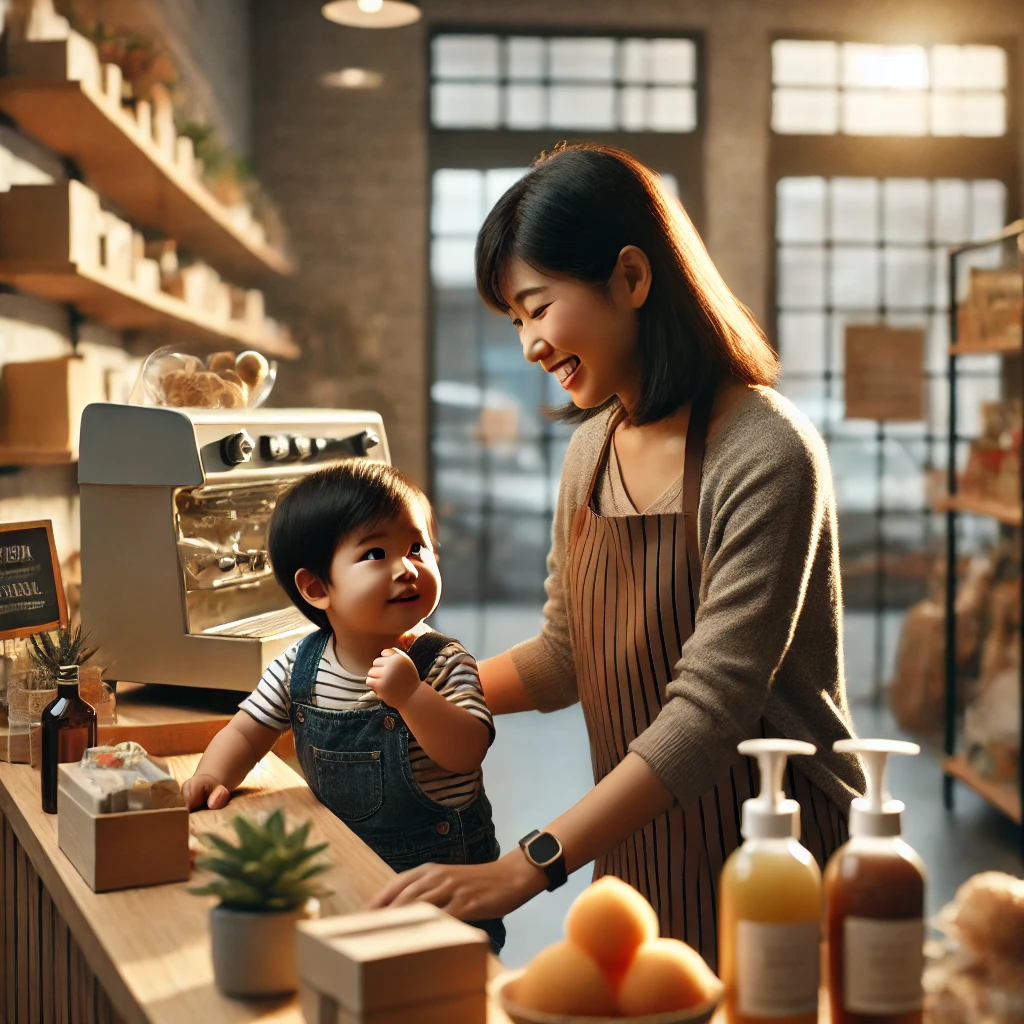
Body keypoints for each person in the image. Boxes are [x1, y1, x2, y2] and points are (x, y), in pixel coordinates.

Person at [369, 143, 866, 969]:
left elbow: (708, 713)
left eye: (537, 306)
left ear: (631, 280)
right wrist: (392, 691)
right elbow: (568, 658)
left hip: (773, 845)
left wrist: (529, 865)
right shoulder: (592, 448)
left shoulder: (765, 452)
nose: (528, 343)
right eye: (514, 320)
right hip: (636, 838)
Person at [181, 459, 504, 952]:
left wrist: (412, 696)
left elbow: (466, 751)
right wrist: (214, 775)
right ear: (317, 588)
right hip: (343, 857)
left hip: (440, 873)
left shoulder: (441, 661)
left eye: (417, 547)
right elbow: (248, 731)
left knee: (443, 980)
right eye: (376, 552)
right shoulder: (301, 664)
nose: (406, 567)